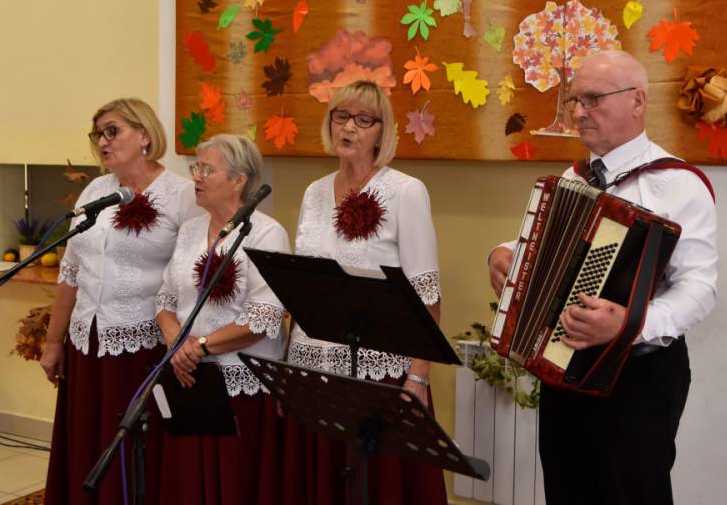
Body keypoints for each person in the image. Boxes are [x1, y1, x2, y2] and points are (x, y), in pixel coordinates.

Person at [488, 51, 718, 505]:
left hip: (640, 377)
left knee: (633, 495)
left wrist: (629, 323)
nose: (578, 112)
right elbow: (552, 243)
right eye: (574, 100)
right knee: (566, 492)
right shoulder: (574, 176)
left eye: (593, 99)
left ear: (637, 101)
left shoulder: (679, 183)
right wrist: (502, 252)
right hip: (563, 365)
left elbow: (699, 289)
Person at [281, 80, 447, 505]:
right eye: (341, 116)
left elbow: (426, 295)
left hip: (378, 372)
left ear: (381, 131)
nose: (349, 127)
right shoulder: (314, 192)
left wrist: (418, 376)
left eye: (363, 119)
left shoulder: (405, 191)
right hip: (312, 365)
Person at [41, 98, 201, 504]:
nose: (103, 142)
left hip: (142, 347)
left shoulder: (181, 195)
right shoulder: (97, 190)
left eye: (113, 131)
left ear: (144, 135)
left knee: (133, 450)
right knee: (87, 443)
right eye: (98, 134)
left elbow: (190, 279)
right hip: (87, 341)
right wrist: (54, 341)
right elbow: (71, 271)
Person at [155, 134, 288, 504]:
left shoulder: (267, 233)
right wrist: (176, 342)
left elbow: (264, 316)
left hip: (240, 386)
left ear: (238, 180)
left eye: (207, 170)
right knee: (189, 482)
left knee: (234, 482)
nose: (196, 177)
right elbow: (165, 298)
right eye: (196, 168)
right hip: (189, 377)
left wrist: (198, 346)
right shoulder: (190, 230)